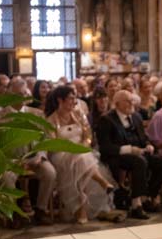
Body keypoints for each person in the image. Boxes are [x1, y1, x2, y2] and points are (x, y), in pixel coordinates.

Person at [45, 85, 119, 224]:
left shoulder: (79, 114)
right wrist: (72, 149)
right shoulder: (51, 120)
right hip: (60, 154)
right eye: (71, 98)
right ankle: (102, 182)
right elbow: (53, 144)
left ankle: (82, 210)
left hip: (81, 152)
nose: (74, 101)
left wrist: (83, 146)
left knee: (80, 161)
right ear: (60, 100)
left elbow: (88, 135)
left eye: (75, 98)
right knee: (79, 159)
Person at [96, 90, 162, 219]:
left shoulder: (136, 117)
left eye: (132, 100)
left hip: (139, 153)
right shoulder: (106, 119)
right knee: (139, 161)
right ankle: (136, 204)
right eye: (127, 101)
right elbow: (105, 147)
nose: (131, 103)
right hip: (117, 156)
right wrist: (129, 149)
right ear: (117, 104)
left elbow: (144, 138)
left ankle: (148, 196)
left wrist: (148, 144)